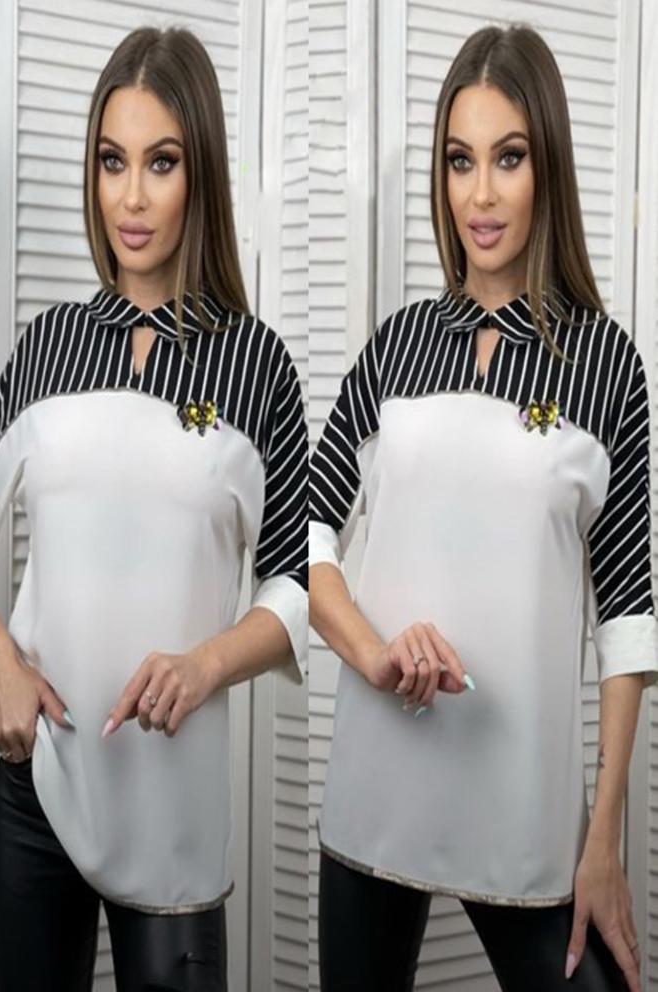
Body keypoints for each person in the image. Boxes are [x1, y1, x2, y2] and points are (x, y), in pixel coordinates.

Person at [0, 25, 307, 992]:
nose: (132, 197)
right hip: (33, 784)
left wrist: (205, 664)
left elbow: (294, 587)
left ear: (201, 176)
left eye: (161, 162)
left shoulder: (255, 363)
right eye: (113, 162)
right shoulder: (48, 346)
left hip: (171, 806)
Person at [309, 23, 655, 992]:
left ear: (547, 168)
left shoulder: (604, 363)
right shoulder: (396, 347)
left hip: (524, 811)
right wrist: (371, 651)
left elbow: (627, 618)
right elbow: (303, 532)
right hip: (376, 795)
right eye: (459, 161)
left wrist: (600, 841)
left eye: (508, 158)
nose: (481, 194)